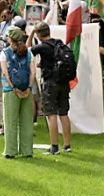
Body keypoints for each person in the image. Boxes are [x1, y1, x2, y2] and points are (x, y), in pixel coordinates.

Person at [28, 21, 72, 155]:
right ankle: (67, 145)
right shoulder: (59, 44)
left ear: (39, 34)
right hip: (63, 82)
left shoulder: (42, 47)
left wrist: (31, 34)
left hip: (49, 82)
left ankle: (54, 146)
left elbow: (27, 49)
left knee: (51, 114)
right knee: (63, 113)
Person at [0, 26, 35, 159]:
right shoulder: (29, 52)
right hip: (27, 90)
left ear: (10, 38)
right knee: (26, 121)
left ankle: (10, 151)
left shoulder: (5, 53)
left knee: (10, 121)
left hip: (10, 91)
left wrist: (13, 87)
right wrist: (29, 88)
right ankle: (27, 150)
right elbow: (33, 73)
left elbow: (4, 72)